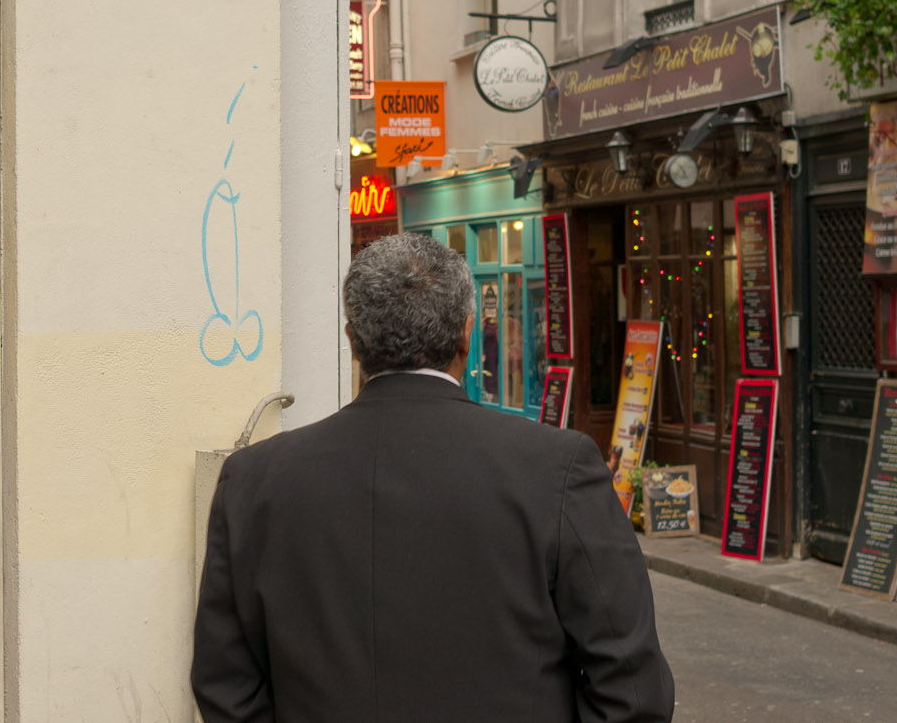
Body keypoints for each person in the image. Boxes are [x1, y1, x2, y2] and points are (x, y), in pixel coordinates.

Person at [192, 233, 674, 723]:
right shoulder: (557, 469)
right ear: (468, 333)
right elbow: (632, 688)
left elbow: (226, 685)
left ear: (352, 339)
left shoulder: (254, 481)